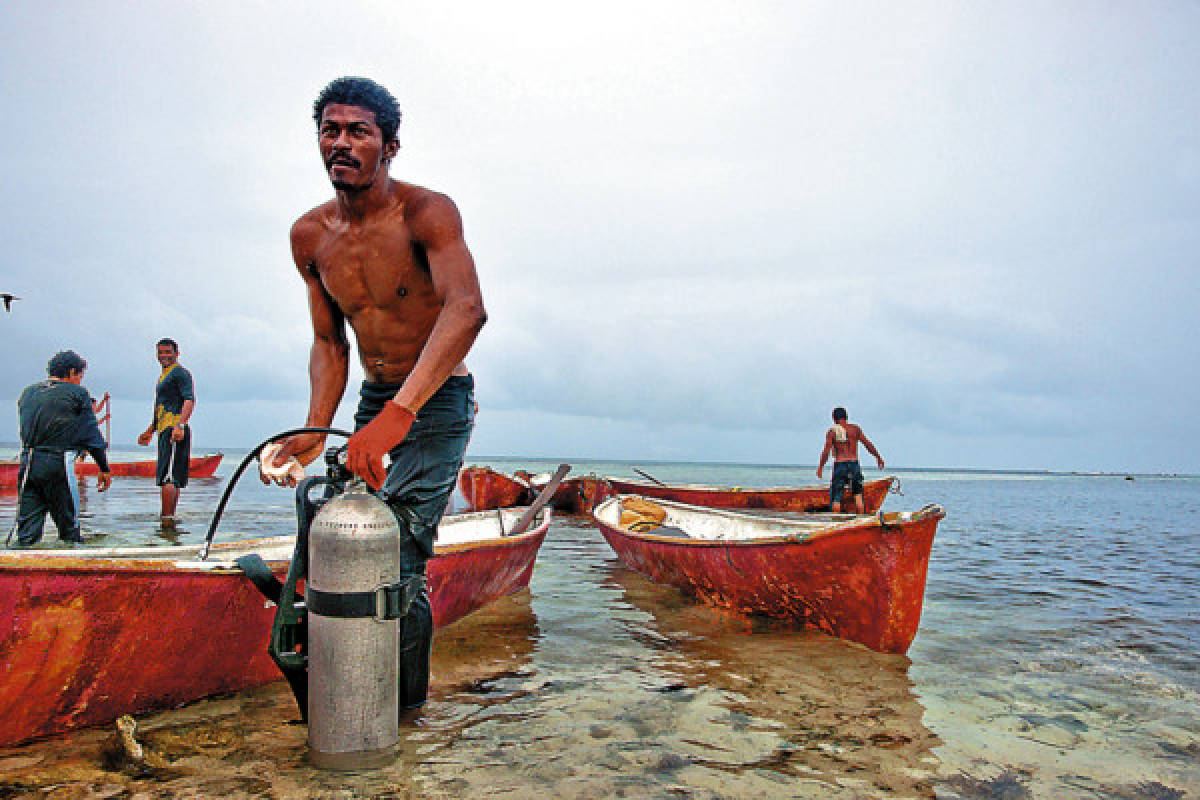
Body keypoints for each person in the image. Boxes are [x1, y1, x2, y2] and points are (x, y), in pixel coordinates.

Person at [263, 76, 486, 715]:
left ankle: (404, 718)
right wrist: (310, 433)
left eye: (358, 131)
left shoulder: (425, 211)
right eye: (330, 130)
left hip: (436, 401)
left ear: (389, 146)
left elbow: (467, 310)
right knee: (341, 542)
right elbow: (330, 345)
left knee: (402, 557)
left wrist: (401, 413)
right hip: (373, 398)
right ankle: (347, 692)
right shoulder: (310, 235)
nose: (341, 142)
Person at [12, 351, 112, 546]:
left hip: (27, 465)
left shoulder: (28, 392)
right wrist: (104, 468)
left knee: (26, 536)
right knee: (70, 531)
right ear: (72, 372)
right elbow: (91, 435)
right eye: (80, 377)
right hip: (57, 465)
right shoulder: (77, 394)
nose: (80, 382)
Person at [136, 338, 195, 527]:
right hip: (164, 428)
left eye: (168, 352)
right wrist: (150, 430)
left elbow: (189, 400)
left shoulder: (180, 373)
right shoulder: (164, 375)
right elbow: (160, 406)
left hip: (174, 429)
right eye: (161, 352)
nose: (164, 356)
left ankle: (166, 522)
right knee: (167, 476)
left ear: (177, 353)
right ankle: (168, 520)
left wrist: (180, 425)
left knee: (169, 477)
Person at [816, 406, 885, 513]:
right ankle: (861, 521)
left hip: (840, 464)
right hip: (854, 464)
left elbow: (826, 451)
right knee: (858, 495)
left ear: (834, 419)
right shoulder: (855, 429)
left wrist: (820, 467)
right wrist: (878, 457)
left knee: (836, 498)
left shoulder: (832, 431)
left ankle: (835, 524)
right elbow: (867, 444)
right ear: (846, 417)